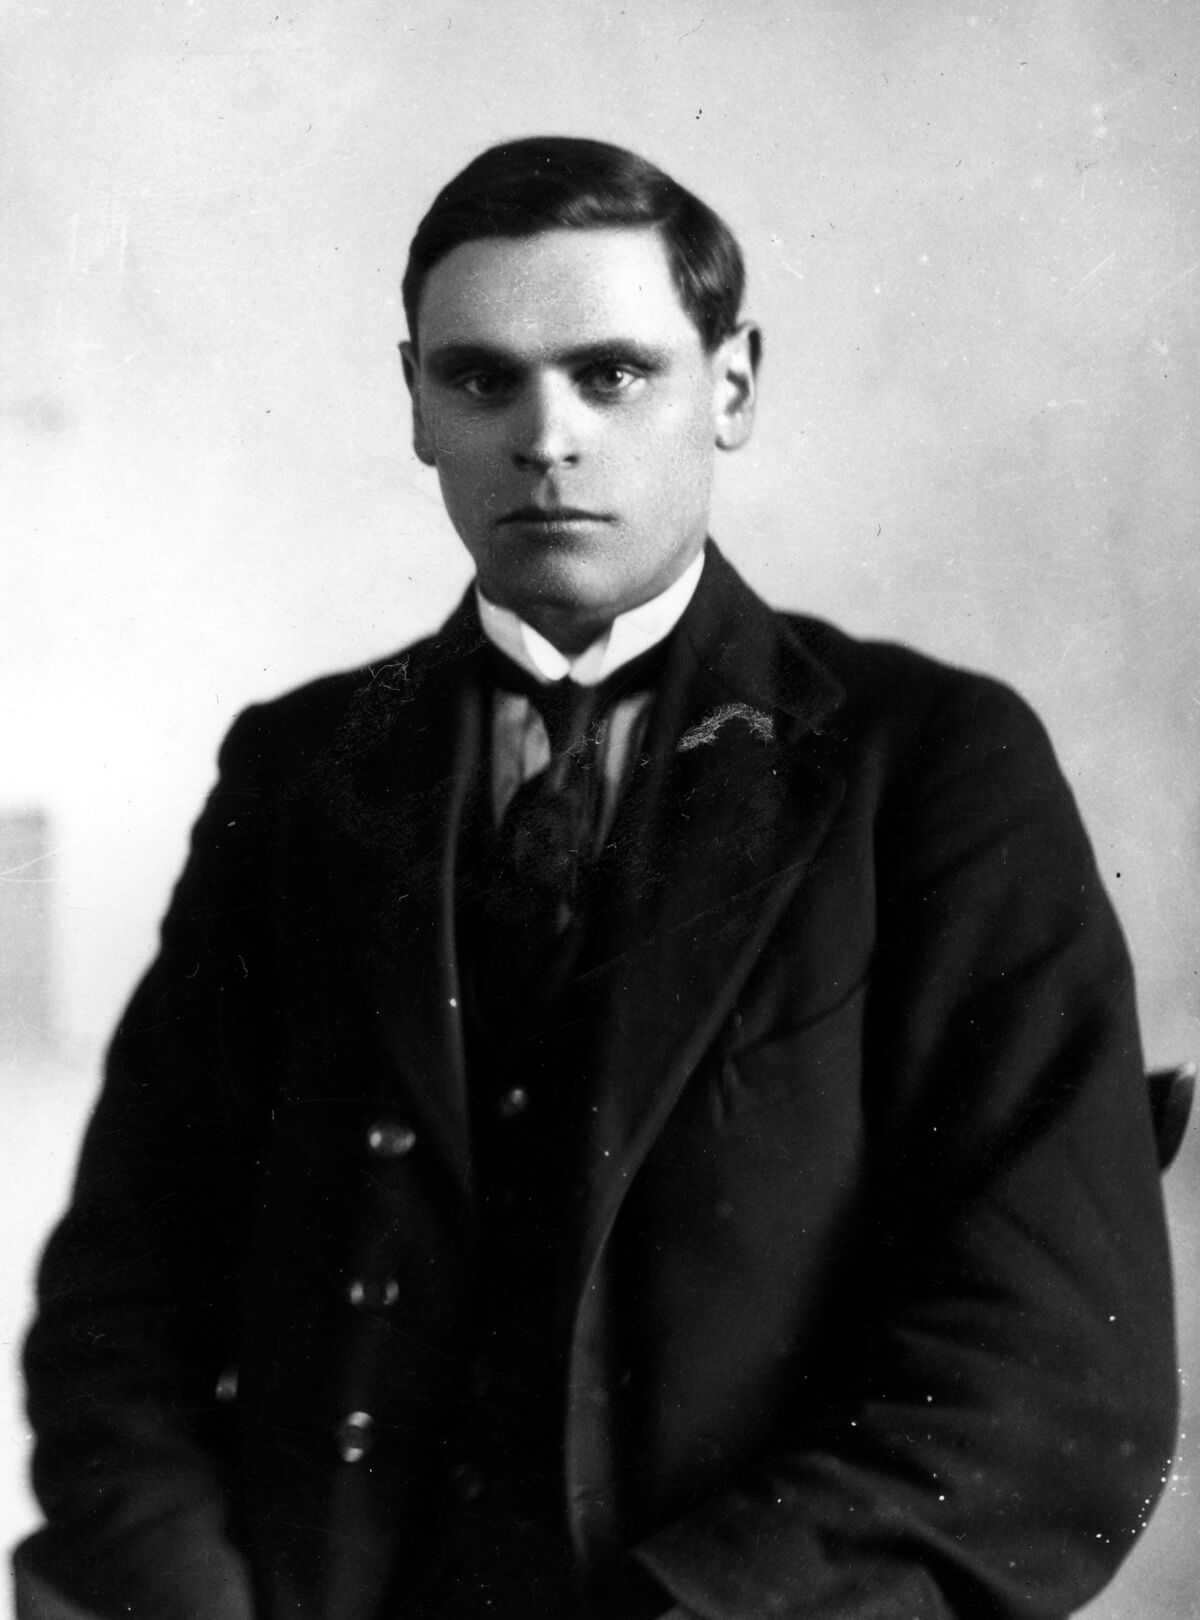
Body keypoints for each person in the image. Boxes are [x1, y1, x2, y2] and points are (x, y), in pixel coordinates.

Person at [14, 136, 1178, 1620]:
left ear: (732, 387)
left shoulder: (933, 768)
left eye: (613, 375)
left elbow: (1049, 1375)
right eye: (481, 380)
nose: (545, 437)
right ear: (417, 405)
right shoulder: (302, 770)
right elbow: (123, 1299)